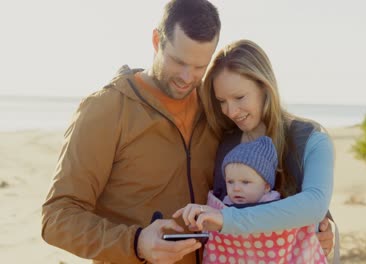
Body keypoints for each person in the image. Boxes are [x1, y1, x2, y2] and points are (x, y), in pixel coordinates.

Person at [41, 1, 334, 263]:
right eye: (178, 62)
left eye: (199, 67)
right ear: (157, 41)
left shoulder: (214, 110)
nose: (186, 78)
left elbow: (265, 174)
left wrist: (321, 225)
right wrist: (137, 242)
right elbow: (57, 218)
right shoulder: (106, 109)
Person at [174, 39, 338, 261]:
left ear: (264, 86)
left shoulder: (312, 140)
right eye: (221, 101)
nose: (230, 111)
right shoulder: (223, 141)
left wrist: (228, 220)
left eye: (239, 97)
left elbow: (315, 204)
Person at [196, 135, 328, 263]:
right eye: (230, 181)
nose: (236, 188)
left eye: (245, 182)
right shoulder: (222, 204)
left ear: (266, 187)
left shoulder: (278, 204)